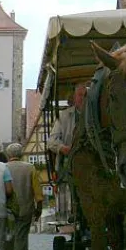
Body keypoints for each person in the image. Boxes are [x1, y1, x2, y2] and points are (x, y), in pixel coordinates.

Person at [0, 143, 43, 250]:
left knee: (7, 239)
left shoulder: (2, 168)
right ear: (22, 154)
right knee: (21, 239)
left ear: (8, 155)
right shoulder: (30, 168)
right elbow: (37, 190)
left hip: (7, 210)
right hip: (25, 209)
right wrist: (39, 207)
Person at [47, 85, 86, 222]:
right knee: (68, 188)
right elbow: (51, 141)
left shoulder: (97, 114)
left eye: (86, 95)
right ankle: (70, 215)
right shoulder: (64, 116)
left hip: (90, 164)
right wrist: (64, 148)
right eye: (80, 95)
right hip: (69, 163)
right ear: (74, 98)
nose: (84, 98)